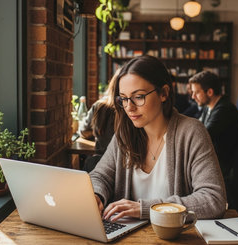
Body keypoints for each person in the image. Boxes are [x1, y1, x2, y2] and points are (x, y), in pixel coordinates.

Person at [89, 55, 226, 222]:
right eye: (123, 98)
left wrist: (146, 209)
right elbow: (100, 176)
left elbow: (213, 199)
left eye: (138, 96)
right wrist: (96, 195)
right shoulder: (124, 134)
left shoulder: (191, 132)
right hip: (128, 237)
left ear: (164, 93)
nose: (129, 107)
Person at [189, 71, 238, 226]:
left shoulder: (225, 109)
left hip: (228, 170)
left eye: (196, 92)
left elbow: (203, 136)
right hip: (218, 163)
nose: (193, 96)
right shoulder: (208, 108)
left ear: (209, 92)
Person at [79, 70, 119, 171]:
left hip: (100, 163)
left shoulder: (100, 106)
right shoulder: (136, 110)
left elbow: (83, 131)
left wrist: (98, 132)